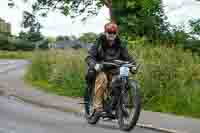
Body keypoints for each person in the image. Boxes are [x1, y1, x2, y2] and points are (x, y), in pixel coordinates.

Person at [84, 22, 136, 120]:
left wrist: (133, 66)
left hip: (114, 69)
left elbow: (128, 57)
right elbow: (89, 57)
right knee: (102, 79)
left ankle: (119, 106)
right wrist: (95, 65)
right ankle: (98, 107)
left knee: (121, 81)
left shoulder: (120, 44)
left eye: (114, 32)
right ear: (105, 32)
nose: (111, 34)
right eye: (109, 32)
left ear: (116, 33)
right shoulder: (98, 42)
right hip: (100, 68)